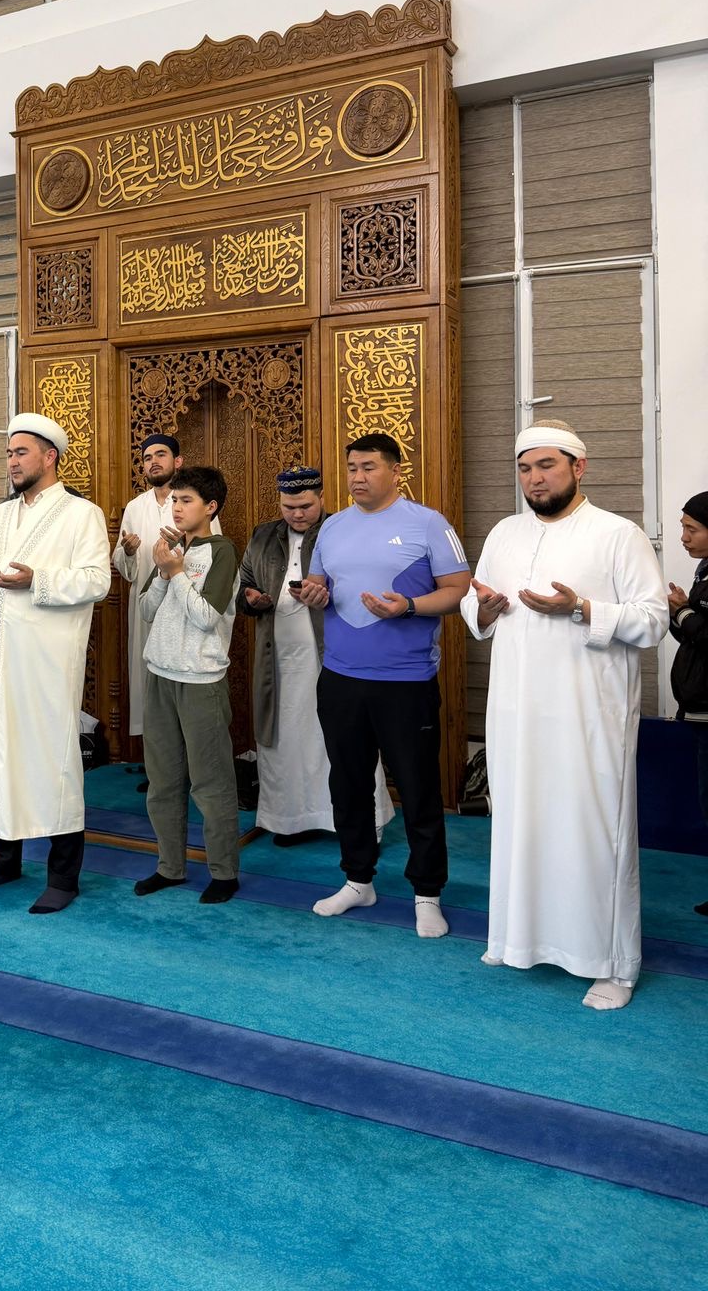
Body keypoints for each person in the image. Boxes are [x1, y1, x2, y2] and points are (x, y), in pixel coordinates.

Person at [461, 420, 668, 1009]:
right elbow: (475, 608)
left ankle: (613, 965)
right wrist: (486, 609)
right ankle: (519, 939)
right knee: (521, 823)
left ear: (579, 467)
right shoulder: (505, 532)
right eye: (525, 468)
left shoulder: (618, 534)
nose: (534, 478)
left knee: (593, 833)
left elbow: (653, 620)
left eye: (546, 465)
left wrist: (580, 608)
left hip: (587, 717)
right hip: (517, 713)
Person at [306, 432, 469, 937]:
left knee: (418, 789)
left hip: (405, 682)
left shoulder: (428, 523)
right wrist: (313, 594)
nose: (357, 477)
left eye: (369, 467)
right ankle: (358, 880)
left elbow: (459, 590)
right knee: (348, 784)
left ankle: (427, 893)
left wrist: (411, 606)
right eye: (352, 468)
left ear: (396, 471)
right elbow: (321, 585)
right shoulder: (332, 526)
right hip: (340, 678)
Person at [0, 413, 111, 914]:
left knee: (51, 760)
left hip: (46, 661)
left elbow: (97, 580)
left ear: (50, 457)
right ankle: (5, 860)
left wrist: (37, 580)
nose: (11, 462)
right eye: (8, 453)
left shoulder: (81, 513)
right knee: (0, 751)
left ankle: (63, 877)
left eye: (20, 452)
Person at [238, 465, 394, 844]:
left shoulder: (344, 531)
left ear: (322, 498)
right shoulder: (263, 536)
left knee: (344, 737)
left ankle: (361, 824)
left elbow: (369, 589)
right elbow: (244, 583)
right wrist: (251, 598)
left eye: (305, 506)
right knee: (284, 739)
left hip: (333, 656)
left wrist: (327, 596)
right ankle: (291, 820)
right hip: (277, 661)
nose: (297, 514)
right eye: (289, 507)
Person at [133, 466, 242, 905]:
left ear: (210, 507)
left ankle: (224, 872)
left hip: (201, 681)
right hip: (160, 675)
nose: (176, 508)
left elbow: (205, 618)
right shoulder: (171, 550)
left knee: (210, 784)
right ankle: (170, 867)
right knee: (162, 783)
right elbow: (145, 611)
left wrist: (176, 572)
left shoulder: (223, 551)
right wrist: (164, 572)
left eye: (186, 501)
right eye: (173, 500)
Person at [114, 434, 218, 759]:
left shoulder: (196, 501)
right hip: (147, 607)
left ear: (178, 461)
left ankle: (187, 763)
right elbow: (124, 567)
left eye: (161, 455)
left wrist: (185, 545)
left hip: (188, 608)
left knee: (184, 681)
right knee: (149, 682)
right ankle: (159, 766)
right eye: (147, 458)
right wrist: (128, 552)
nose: (153, 462)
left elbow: (214, 553)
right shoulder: (135, 507)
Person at [668, 490, 708, 915]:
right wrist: (677, 613)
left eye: (691, 528)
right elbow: (692, 637)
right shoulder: (703, 572)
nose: (683, 537)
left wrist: (683, 612)